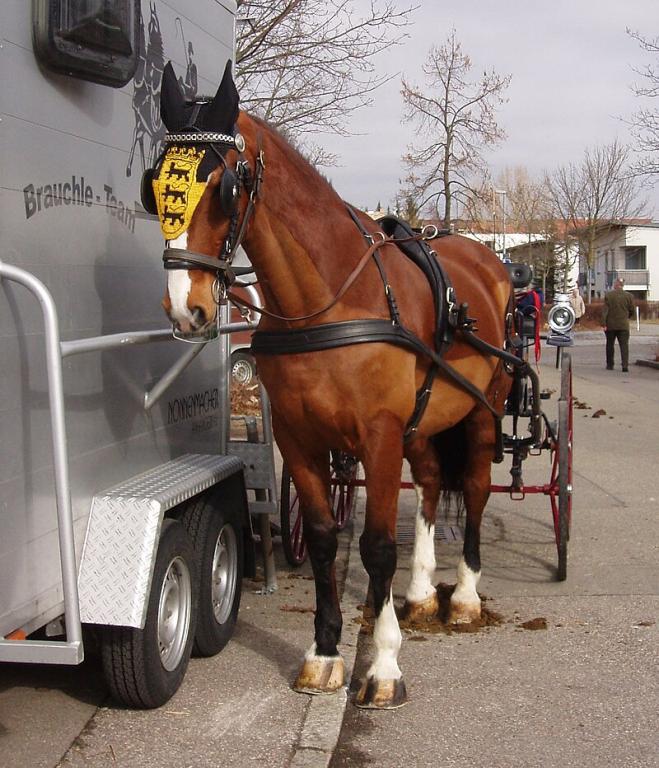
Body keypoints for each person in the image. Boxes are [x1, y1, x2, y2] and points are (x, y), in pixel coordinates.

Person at [602, 279, 635, 372]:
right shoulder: (629, 296)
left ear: (616, 285)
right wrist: (627, 317)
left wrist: (603, 323)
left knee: (610, 345)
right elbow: (632, 310)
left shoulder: (609, 295)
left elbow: (605, 311)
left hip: (611, 325)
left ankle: (610, 364)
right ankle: (625, 365)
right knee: (624, 346)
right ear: (622, 285)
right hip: (623, 325)